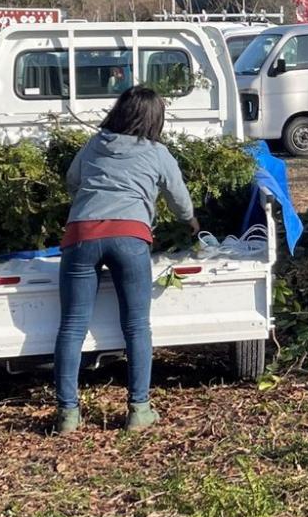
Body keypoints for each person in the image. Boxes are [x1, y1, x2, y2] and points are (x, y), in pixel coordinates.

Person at [52, 86, 199, 435]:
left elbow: (72, 182)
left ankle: (68, 415)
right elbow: (179, 198)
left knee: (71, 326)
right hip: (130, 237)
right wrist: (191, 222)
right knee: (135, 326)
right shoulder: (158, 152)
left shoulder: (93, 145)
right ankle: (138, 410)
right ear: (154, 119)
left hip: (81, 236)